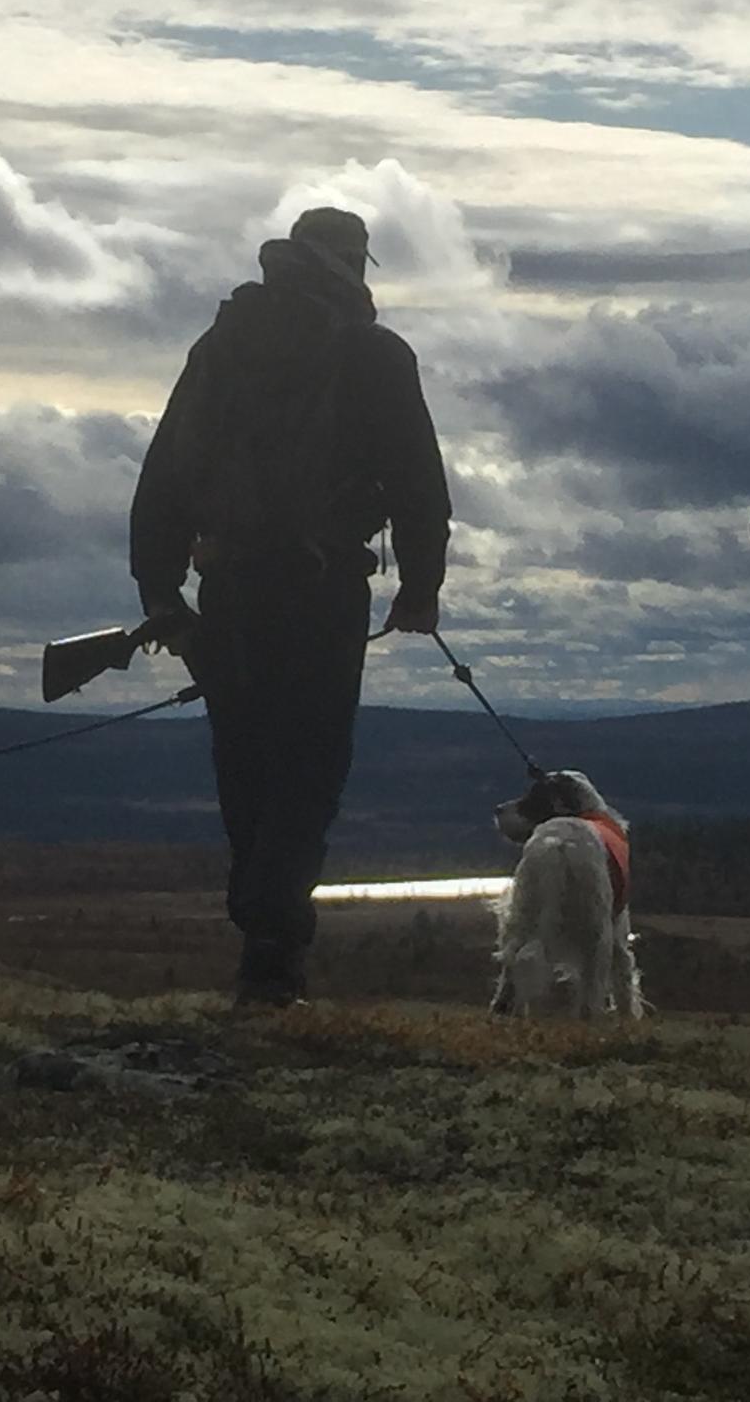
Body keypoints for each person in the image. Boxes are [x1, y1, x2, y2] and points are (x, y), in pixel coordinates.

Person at [130, 207, 452, 1006]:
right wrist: (419, 588)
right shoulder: (376, 356)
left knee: (246, 765)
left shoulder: (220, 346)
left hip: (227, 586)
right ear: (355, 267)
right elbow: (420, 484)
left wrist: (161, 589)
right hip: (322, 590)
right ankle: (272, 955)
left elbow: (165, 472)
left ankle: (260, 934)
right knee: (308, 772)